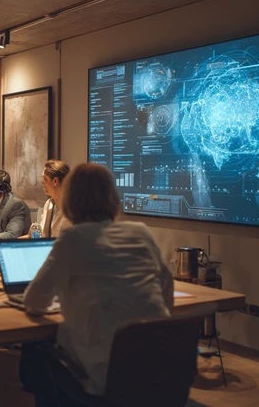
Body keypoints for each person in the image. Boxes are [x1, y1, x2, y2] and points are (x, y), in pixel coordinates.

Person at [19, 163, 174, 405]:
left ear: (70, 201)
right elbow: (167, 296)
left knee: (37, 352)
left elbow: (34, 303)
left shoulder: (72, 238)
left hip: (102, 380)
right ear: (113, 198)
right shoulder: (141, 233)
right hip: (155, 371)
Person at [22, 160, 71, 239]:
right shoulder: (49, 204)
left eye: (45, 178)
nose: (42, 182)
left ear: (55, 181)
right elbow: (39, 234)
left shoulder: (72, 209)